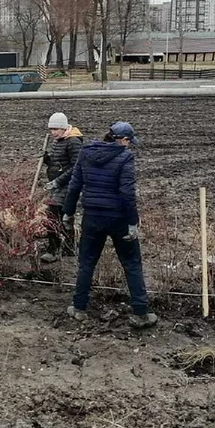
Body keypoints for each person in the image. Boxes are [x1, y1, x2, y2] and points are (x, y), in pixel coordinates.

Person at [62, 121, 158, 329]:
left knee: (86, 262)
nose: (130, 146)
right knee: (131, 263)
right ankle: (141, 313)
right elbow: (127, 194)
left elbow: (75, 185)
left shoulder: (86, 152)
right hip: (118, 219)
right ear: (123, 140)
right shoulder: (125, 157)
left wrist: (68, 213)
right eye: (129, 142)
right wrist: (132, 222)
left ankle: (79, 308)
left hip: (92, 217)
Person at [40, 112, 83, 263]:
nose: (53, 133)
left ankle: (55, 249)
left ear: (64, 128)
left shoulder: (73, 142)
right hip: (56, 185)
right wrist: (47, 160)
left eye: (56, 129)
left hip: (68, 186)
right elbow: (58, 162)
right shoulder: (57, 141)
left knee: (54, 216)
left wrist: (58, 181)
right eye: (51, 129)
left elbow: (76, 167)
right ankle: (68, 248)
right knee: (60, 216)